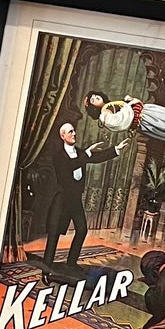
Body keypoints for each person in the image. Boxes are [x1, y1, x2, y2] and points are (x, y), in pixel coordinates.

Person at [41, 117, 124, 279]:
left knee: (82, 230)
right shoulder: (58, 157)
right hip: (61, 200)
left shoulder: (80, 153)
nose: (74, 133)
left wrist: (115, 149)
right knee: (54, 234)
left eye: (74, 130)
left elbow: (95, 158)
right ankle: (46, 270)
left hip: (75, 201)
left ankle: (71, 263)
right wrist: (86, 154)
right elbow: (71, 166)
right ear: (63, 136)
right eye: (70, 131)